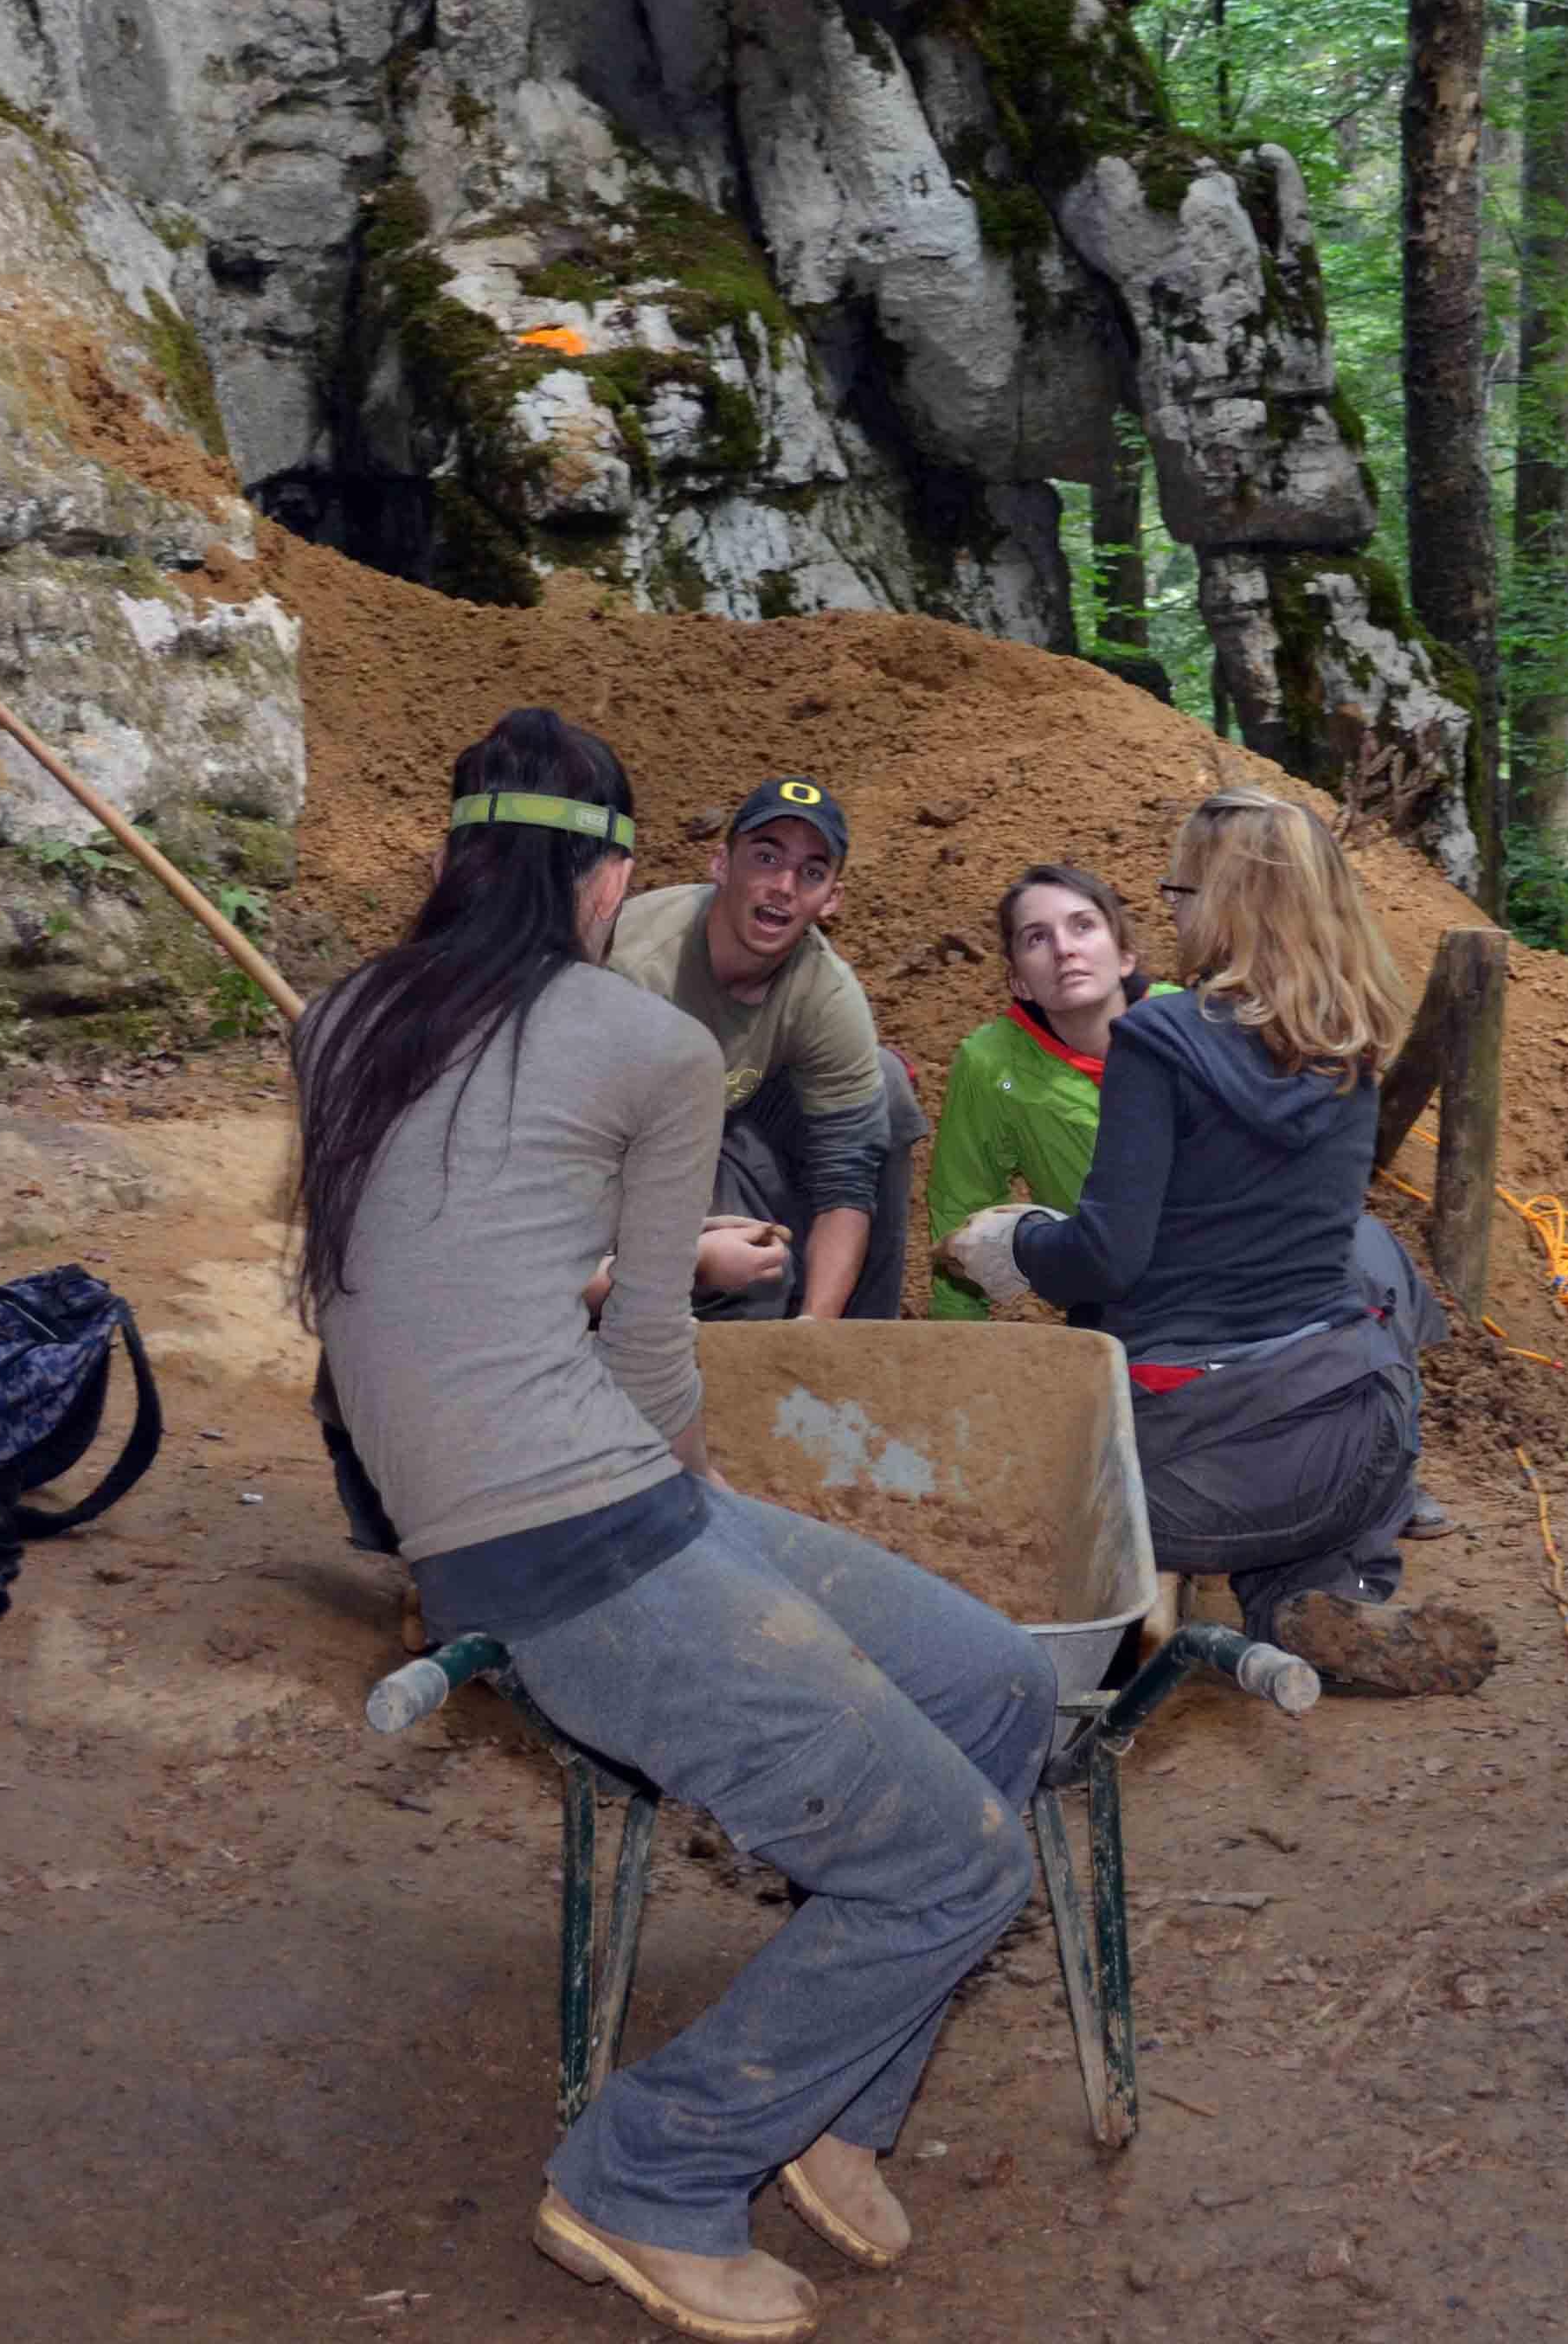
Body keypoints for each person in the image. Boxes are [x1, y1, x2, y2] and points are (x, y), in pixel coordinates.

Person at [294, 709, 1051, 2344]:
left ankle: (835, 2102)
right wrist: (694, 1536)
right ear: (617, 874)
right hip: (578, 1531)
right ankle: (647, 2167)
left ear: (449, 858)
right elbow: (648, 1347)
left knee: (998, 1679)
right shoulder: (647, 1049)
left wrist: (702, 1525)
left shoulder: (334, 1015)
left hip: (561, 1509)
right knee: (956, 1866)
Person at [938, 791, 1496, 1696]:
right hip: (1361, 1447)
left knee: (1047, 1495)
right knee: (1360, 1261)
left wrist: (1022, 1240)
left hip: (1200, 1470)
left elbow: (1111, 1256)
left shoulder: (1157, 1038)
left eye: (1181, 889)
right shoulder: (1349, 1041)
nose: (1171, 909)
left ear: (1226, 901)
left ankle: (1145, 1633)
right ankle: (1302, 1603)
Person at [605, 777, 927, 1321]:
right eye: (766, 857)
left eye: (812, 873)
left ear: (831, 900)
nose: (784, 886)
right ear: (721, 866)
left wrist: (812, 1333)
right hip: (632, 1141)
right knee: (751, 1285)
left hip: (738, 1108)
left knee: (886, 1085)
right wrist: (696, 1259)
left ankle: (863, 1343)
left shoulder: (826, 991)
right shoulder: (638, 969)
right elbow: (592, 1151)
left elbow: (845, 1180)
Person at [922, 864, 1174, 1320]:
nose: (1064, 949)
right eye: (1036, 938)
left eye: (1083, 926)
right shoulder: (993, 1065)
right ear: (1018, 981)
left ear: (1124, 955)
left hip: (1232, 1286)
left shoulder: (1189, 1025)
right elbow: (961, 1212)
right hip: (1114, 1306)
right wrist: (957, 1352)